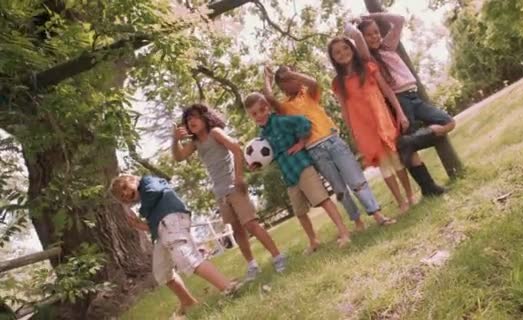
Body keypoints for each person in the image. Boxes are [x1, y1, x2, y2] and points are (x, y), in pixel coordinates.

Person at [262, 65, 396, 231]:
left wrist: (291, 73)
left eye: (294, 76)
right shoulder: (286, 108)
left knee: (356, 180)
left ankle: (377, 214)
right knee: (339, 189)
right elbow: (269, 98)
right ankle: (357, 221)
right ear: (282, 88)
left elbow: (312, 82)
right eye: (287, 81)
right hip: (316, 151)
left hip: (333, 141)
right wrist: (267, 78)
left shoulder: (309, 93)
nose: (293, 81)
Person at [172, 104, 286, 282]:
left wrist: (239, 177)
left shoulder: (215, 132)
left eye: (194, 117)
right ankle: (252, 265)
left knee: (251, 225)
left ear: (204, 117)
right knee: (237, 230)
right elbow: (178, 157)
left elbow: (236, 149)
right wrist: (175, 140)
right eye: (187, 120)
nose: (191, 121)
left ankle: (278, 257)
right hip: (220, 193)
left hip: (234, 187)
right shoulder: (195, 143)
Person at [345, 13, 455, 196]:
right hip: (399, 99)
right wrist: (350, 23)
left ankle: (409, 143)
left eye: (376, 32)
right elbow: (354, 36)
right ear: (362, 40)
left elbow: (398, 20)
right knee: (410, 146)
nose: (374, 37)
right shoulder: (367, 58)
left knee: (448, 122)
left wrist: (370, 16)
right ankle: (428, 188)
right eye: (369, 35)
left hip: (414, 96)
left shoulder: (388, 46)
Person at [109, 174, 239, 316]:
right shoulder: (149, 205)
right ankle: (188, 302)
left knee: (187, 258)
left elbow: (155, 192)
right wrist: (139, 225)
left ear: (133, 180)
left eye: (125, 188)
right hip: (162, 230)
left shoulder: (147, 182)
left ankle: (227, 286)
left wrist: (141, 212)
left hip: (172, 221)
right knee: (162, 271)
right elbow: (154, 226)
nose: (126, 194)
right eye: (123, 196)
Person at [244, 92, 351, 253]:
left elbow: (303, 122)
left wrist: (301, 143)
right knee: (300, 212)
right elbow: (270, 155)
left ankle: (344, 232)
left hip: (302, 166)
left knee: (322, 200)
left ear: (267, 107)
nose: (259, 116)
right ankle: (313, 241)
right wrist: (257, 164)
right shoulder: (262, 137)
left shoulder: (280, 121)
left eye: (261, 110)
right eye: (254, 114)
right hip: (289, 175)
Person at [327, 36, 416, 213]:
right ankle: (400, 201)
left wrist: (399, 112)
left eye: (345, 48)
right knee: (384, 165)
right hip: (364, 128)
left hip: (383, 120)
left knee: (396, 160)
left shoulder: (368, 67)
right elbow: (344, 109)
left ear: (352, 48)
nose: (342, 53)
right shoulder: (338, 83)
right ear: (333, 58)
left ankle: (410, 195)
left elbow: (387, 91)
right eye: (336, 52)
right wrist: (352, 133)